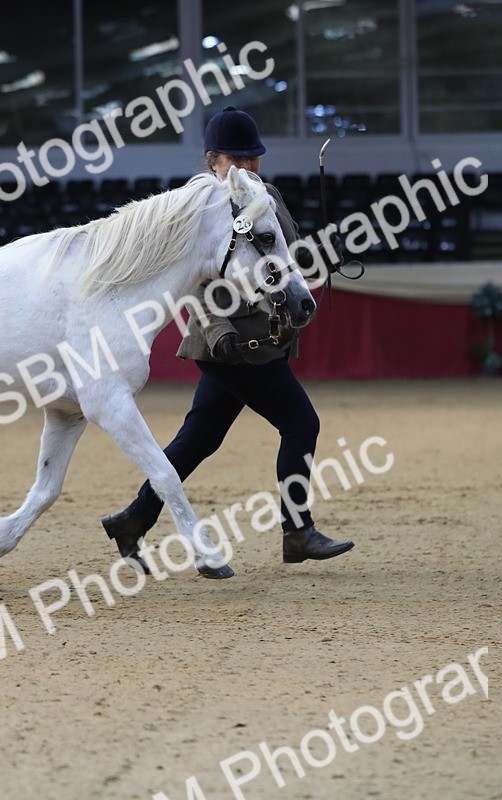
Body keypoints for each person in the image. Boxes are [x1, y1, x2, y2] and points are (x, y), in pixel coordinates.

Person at [100, 106, 353, 574]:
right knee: (301, 424)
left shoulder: (268, 195)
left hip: (261, 342)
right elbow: (192, 284)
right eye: (237, 159)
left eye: (254, 157)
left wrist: (321, 254)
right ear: (211, 160)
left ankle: (133, 520)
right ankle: (297, 531)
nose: (248, 167)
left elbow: (282, 256)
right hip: (233, 348)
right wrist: (220, 335)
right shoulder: (204, 208)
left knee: (197, 441)